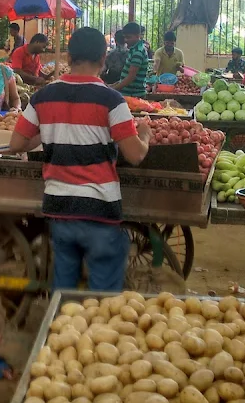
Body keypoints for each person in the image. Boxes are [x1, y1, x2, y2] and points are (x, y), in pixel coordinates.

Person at [9, 26, 151, 291]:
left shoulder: (43, 96)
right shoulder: (112, 100)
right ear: (103, 59)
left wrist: (48, 130)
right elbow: (135, 155)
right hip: (98, 210)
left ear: (68, 58)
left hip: (58, 208)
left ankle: (61, 325)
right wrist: (144, 135)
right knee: (103, 298)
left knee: (64, 289)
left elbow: (16, 143)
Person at [114, 22, 149, 98]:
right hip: (130, 94)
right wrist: (113, 86)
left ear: (137, 36)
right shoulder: (134, 50)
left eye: (128, 37)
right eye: (125, 37)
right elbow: (126, 76)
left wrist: (114, 89)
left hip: (134, 95)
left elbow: (130, 77)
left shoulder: (138, 52)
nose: (126, 40)